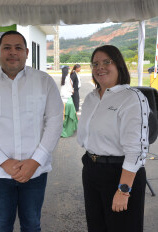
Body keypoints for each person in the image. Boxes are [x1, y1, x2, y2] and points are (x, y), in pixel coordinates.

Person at [0, 31, 64, 232]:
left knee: (32, 225)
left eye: (18, 48)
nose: (13, 53)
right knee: (2, 226)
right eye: (7, 48)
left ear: (27, 52)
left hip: (35, 172)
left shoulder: (44, 81)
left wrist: (35, 161)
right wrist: (4, 162)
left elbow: (54, 122)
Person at [77, 45, 149, 232]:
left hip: (120, 172)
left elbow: (136, 150)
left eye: (106, 62)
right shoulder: (91, 97)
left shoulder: (131, 98)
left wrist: (123, 190)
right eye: (95, 64)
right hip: (91, 168)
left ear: (119, 65)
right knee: (96, 226)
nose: (100, 67)